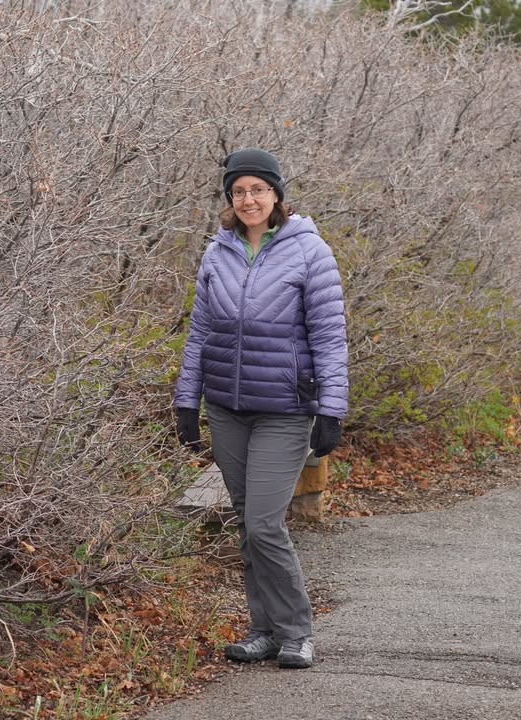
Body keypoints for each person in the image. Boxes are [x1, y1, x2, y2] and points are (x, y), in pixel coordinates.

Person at [174, 148, 349, 669]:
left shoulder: (310, 252)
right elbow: (200, 333)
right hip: (227, 407)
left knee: (266, 524)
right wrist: (188, 400)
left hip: (284, 410)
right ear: (230, 199)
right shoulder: (217, 252)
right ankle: (263, 630)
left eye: (257, 189)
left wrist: (331, 410)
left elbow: (330, 337)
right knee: (247, 520)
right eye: (238, 191)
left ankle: (297, 631)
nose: (248, 199)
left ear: (276, 194)